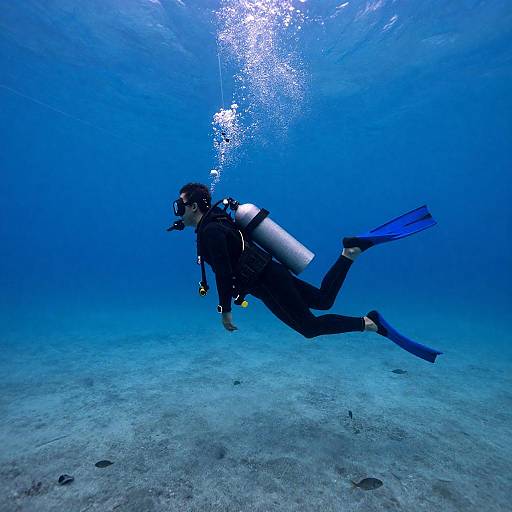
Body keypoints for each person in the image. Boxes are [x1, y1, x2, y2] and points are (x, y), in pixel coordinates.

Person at [171, 182, 442, 363]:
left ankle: (370, 324)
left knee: (310, 328)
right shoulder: (216, 224)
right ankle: (350, 252)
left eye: (179, 204)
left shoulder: (210, 230)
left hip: (266, 281)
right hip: (269, 275)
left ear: (194, 206)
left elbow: (223, 270)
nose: (178, 210)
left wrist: (225, 309)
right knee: (324, 300)